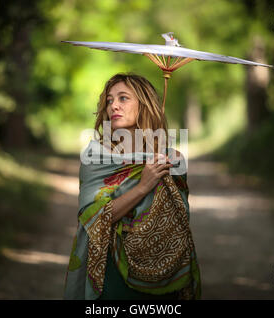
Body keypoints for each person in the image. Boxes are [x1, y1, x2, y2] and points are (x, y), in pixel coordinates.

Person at [63, 72, 201, 300]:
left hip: (164, 270)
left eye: (123, 98)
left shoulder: (171, 159)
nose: (113, 105)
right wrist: (143, 186)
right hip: (113, 268)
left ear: (144, 105)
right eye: (109, 100)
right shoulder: (96, 157)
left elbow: (180, 221)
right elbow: (92, 217)